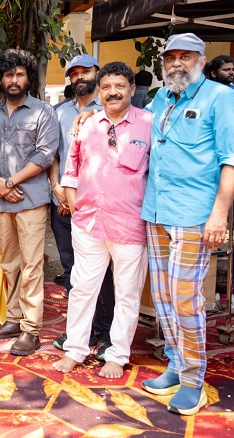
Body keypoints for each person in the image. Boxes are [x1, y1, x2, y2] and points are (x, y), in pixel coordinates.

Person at [140, 33, 234, 415]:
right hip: (156, 210)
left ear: (201, 60)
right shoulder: (161, 98)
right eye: (171, 57)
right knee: (163, 296)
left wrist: (219, 214)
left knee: (185, 298)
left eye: (186, 56)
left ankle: (194, 379)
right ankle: (176, 365)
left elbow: (230, 160)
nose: (177, 63)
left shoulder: (220, 97)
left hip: (194, 214)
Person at [52, 61, 152, 379]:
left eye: (120, 86)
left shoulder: (149, 124)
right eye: (106, 87)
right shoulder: (88, 124)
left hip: (130, 225)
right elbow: (71, 172)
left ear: (132, 89)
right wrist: (76, 211)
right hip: (88, 224)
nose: (113, 92)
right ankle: (75, 350)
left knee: (126, 293)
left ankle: (117, 355)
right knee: (82, 289)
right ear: (99, 91)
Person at [0, 49, 59, 356]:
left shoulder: (43, 112)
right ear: (0, 79)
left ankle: (31, 329)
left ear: (28, 78)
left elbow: (45, 155)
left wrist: (10, 182)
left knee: (31, 266)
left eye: (20, 74)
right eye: (8, 75)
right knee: (10, 264)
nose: (14, 80)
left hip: (31, 200)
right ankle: (14, 319)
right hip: (1, 201)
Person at [48, 54, 114, 359]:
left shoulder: (110, 110)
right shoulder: (59, 112)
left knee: (101, 272)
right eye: (74, 74)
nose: (79, 77)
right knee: (72, 270)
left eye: (85, 71)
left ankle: (105, 332)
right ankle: (79, 331)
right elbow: (54, 155)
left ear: (97, 73)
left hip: (96, 206)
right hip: (62, 203)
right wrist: (57, 187)